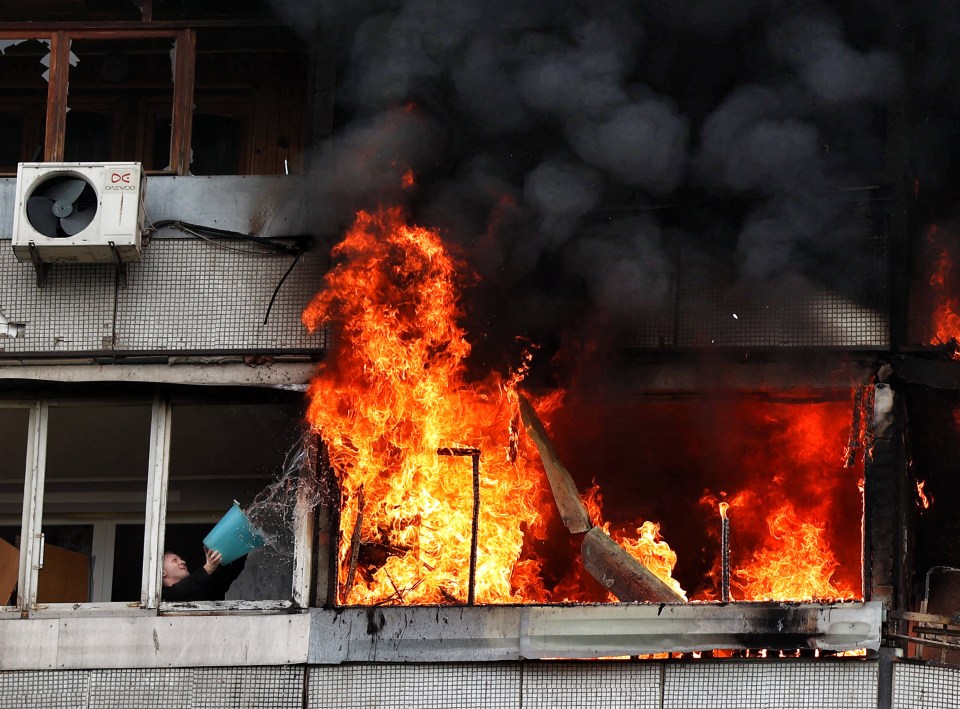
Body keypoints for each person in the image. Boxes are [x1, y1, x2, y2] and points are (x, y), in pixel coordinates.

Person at [161, 547, 243, 602]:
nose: (183, 562)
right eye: (175, 560)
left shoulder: (203, 589)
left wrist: (242, 548)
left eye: (180, 559)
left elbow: (227, 575)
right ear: (163, 572)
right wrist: (208, 568)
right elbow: (176, 592)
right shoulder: (162, 598)